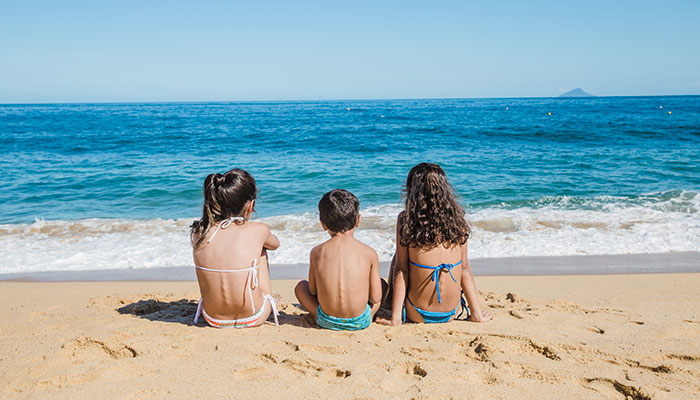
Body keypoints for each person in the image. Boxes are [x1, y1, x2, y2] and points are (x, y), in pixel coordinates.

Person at [377, 163, 492, 325]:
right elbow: (464, 269)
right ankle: (474, 314)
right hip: (452, 312)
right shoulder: (458, 221)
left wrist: (396, 318)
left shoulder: (406, 220)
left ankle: (390, 307)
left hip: (416, 312)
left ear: (412, 190)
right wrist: (477, 314)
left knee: (399, 259)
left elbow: (401, 270)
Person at [190, 168, 280, 328]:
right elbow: (275, 244)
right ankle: (269, 297)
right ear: (250, 205)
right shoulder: (258, 230)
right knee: (261, 249)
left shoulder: (200, 231)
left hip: (212, 317)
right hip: (253, 316)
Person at [294, 189, 383, 330]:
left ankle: (318, 316)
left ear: (323, 224)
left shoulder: (316, 252)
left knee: (300, 287)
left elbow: (312, 290)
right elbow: (376, 298)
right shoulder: (369, 252)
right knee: (381, 285)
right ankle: (370, 316)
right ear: (358, 220)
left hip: (326, 320)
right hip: (361, 320)